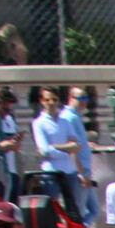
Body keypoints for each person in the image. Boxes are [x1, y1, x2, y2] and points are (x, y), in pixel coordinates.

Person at [31, 85, 85, 218]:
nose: (52, 103)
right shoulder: (39, 123)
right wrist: (67, 148)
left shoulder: (65, 122)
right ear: (42, 101)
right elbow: (45, 151)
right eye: (48, 100)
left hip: (70, 171)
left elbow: (77, 145)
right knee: (52, 208)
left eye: (54, 99)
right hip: (52, 172)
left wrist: (56, 146)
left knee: (73, 208)